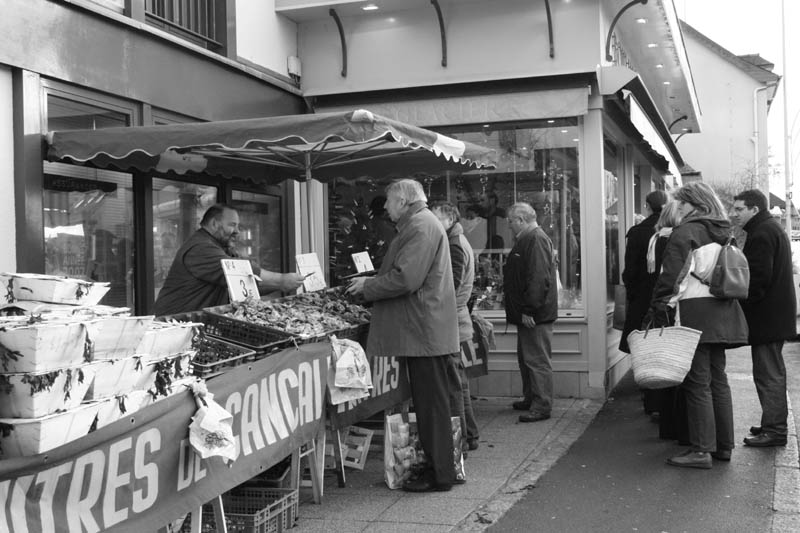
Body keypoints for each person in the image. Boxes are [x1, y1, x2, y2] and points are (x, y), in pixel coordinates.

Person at [346, 179, 459, 492]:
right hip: (423, 329)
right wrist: (372, 280)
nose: (384, 207)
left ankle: (439, 475)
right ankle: (440, 469)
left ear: (404, 201)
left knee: (431, 405)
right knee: (431, 403)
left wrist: (368, 286)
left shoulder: (421, 225)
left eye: (389, 202)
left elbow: (407, 278)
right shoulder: (421, 223)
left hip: (424, 331)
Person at [645, 182, 748, 469]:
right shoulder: (725, 232)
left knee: (697, 383)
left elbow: (672, 279)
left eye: (681, 203)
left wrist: (658, 308)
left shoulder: (687, 232)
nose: (677, 208)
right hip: (723, 311)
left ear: (695, 205)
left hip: (694, 311)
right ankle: (723, 445)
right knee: (718, 380)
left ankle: (701, 449)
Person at [731, 189, 797, 448]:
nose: (734, 214)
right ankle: (772, 421)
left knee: (768, 373)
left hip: (768, 316)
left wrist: (738, 302)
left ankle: (775, 430)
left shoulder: (762, 233)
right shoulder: (769, 228)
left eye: (739, 209)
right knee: (770, 371)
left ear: (754, 209)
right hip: (775, 314)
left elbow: (757, 279)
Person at [153, 203, 304, 316]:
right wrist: (281, 280)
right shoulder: (200, 248)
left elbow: (243, 285)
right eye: (232, 225)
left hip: (194, 323)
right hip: (173, 326)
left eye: (238, 226)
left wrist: (280, 286)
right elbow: (241, 272)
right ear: (213, 223)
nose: (237, 231)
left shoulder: (222, 248)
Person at [431, 201, 480, 452]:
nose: (432, 223)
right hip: (458, 320)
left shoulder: (454, 245)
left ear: (450, 219)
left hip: (453, 323)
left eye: (436, 218)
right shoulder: (456, 241)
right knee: (459, 384)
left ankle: (462, 439)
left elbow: (449, 286)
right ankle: (470, 434)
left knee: (455, 386)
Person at [503, 202, 559, 423]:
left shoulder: (535, 239)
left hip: (535, 314)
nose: (509, 226)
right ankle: (532, 398)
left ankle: (541, 404)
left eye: (510, 222)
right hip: (530, 313)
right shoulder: (531, 238)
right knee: (527, 359)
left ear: (521, 220)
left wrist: (529, 309)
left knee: (536, 360)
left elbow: (538, 278)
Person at [646, 200, 689, 443]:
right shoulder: (670, 239)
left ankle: (664, 417)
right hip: (671, 307)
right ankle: (671, 422)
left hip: (661, 306)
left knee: (662, 362)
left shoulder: (659, 239)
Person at [619, 190, 669, 355]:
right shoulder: (676, 230)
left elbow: (630, 270)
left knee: (640, 344)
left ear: (647, 206)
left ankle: (645, 374)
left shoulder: (637, 232)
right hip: (667, 297)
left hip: (642, 294)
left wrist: (632, 293)